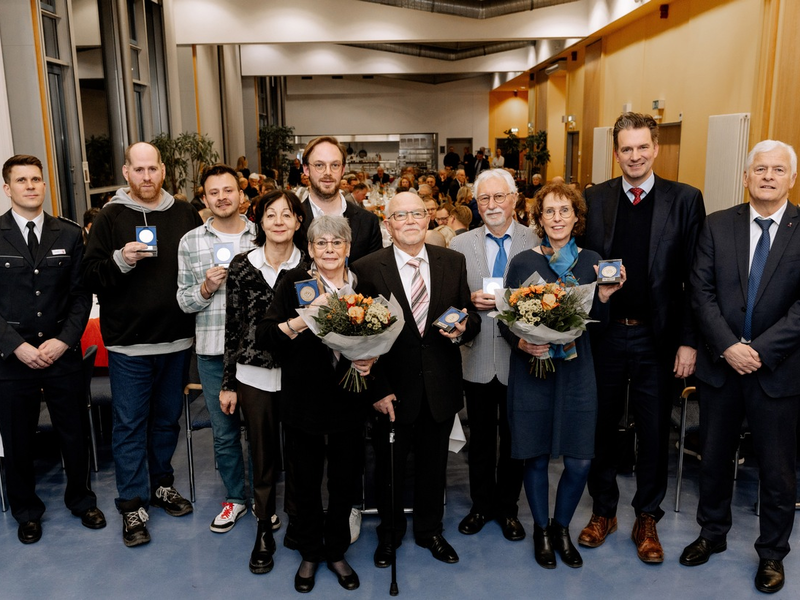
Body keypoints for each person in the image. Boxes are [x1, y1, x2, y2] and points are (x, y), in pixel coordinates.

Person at [579, 112, 705, 563]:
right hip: (605, 336)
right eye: (626, 149)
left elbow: (697, 278)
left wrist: (689, 341)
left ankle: (646, 516)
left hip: (660, 339)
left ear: (656, 148)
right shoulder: (595, 199)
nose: (634, 156)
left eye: (642, 147)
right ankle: (604, 511)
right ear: (616, 153)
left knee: (654, 431)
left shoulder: (686, 200)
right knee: (601, 427)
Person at [681, 140, 800, 594]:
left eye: (778, 169)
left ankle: (772, 554)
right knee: (713, 459)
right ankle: (712, 535)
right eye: (759, 169)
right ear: (746, 177)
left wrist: (761, 350)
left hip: (779, 371)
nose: (768, 176)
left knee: (777, 470)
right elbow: (700, 293)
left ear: (791, 177)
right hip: (721, 366)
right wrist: (730, 345)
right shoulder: (715, 225)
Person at [82, 141, 202, 547]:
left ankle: (161, 485)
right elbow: (90, 275)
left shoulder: (184, 213)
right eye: (139, 169)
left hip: (176, 339)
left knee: (166, 422)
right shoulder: (109, 217)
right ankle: (131, 503)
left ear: (163, 171)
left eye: (153, 169)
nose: (147, 177)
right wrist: (120, 260)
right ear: (126, 171)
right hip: (129, 346)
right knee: (130, 425)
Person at [352, 192, 480, 567]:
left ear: (428, 219)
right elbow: (360, 336)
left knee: (433, 467)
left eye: (417, 213)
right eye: (400, 215)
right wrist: (377, 388)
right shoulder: (368, 267)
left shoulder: (452, 262)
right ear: (388, 223)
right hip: (391, 389)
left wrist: (461, 329)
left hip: (440, 386)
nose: (409, 220)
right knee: (389, 469)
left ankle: (429, 531)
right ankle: (388, 535)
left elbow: (468, 317)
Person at [502, 183, 623, 569]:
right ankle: (541, 530)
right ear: (539, 218)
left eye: (564, 211)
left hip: (576, 370)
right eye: (549, 211)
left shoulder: (591, 261)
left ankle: (562, 527)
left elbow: (599, 327)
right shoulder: (522, 262)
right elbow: (507, 321)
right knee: (535, 457)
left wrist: (603, 300)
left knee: (579, 462)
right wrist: (522, 344)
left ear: (576, 217)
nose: (557, 218)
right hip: (533, 371)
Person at [257, 215, 373, 593]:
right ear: (309, 249)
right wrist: (303, 320)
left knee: (344, 482)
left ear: (348, 249)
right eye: (321, 243)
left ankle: (336, 551)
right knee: (304, 482)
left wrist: (369, 359)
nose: (329, 250)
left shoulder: (362, 286)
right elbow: (267, 336)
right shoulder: (295, 284)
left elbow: (380, 334)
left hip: (349, 401)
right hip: (303, 403)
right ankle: (309, 551)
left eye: (336, 243)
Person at [0, 154, 105, 544]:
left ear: (45, 186)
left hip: (62, 352)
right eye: (22, 180)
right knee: (18, 438)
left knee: (74, 432)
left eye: (37, 180)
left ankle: (81, 499)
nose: (31, 186)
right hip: (12, 359)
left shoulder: (68, 233)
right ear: (7, 188)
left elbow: (81, 296)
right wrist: (17, 347)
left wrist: (64, 341)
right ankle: (26, 510)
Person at [449, 169, 538, 543]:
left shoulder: (536, 242)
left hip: (523, 356)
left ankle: (508, 509)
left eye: (499, 197)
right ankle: (480, 505)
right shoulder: (458, 244)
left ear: (515, 200)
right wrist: (466, 301)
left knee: (516, 439)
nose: (492, 205)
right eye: (484, 199)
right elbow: (450, 302)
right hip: (478, 354)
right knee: (481, 439)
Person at [222, 189, 307, 574]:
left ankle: (298, 521)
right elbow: (233, 326)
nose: (278, 221)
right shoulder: (242, 265)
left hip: (300, 374)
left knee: (301, 451)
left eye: (286, 215)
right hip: (253, 374)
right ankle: (264, 527)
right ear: (260, 221)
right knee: (262, 455)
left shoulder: (310, 266)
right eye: (270, 215)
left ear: (298, 222)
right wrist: (227, 382)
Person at [176, 164, 258, 535]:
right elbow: (183, 302)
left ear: (241, 194)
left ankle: (263, 496)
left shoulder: (262, 235)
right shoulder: (191, 241)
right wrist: (206, 288)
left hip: (260, 352)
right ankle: (237, 498)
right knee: (225, 432)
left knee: (262, 428)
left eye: (229, 190)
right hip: (211, 350)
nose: (222, 197)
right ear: (204, 197)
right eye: (214, 192)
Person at [299, 136, 382, 263]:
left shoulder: (368, 223)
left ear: (342, 170)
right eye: (319, 165)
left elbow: (374, 276)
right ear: (306, 169)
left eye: (335, 165)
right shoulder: (293, 222)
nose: (328, 172)